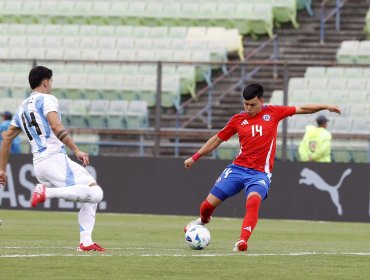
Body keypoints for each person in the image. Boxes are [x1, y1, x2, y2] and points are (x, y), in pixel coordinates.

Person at [183, 83, 340, 252]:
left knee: (253, 201)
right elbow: (217, 139)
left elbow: (302, 108)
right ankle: (203, 220)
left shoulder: (273, 112)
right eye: (245, 104)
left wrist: (326, 106)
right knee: (206, 206)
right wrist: (195, 157)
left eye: (252, 104)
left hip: (259, 173)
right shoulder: (238, 119)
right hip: (237, 169)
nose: (248, 108)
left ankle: (242, 241)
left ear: (261, 101)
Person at [0, 66, 105, 252]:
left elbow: (7, 137)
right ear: (46, 81)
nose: (52, 85)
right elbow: (56, 126)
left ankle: (86, 242)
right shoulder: (47, 99)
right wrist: (77, 150)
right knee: (97, 193)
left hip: (39, 164)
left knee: (91, 194)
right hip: (54, 158)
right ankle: (46, 193)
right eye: (51, 81)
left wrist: (1, 169)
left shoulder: (22, 107)